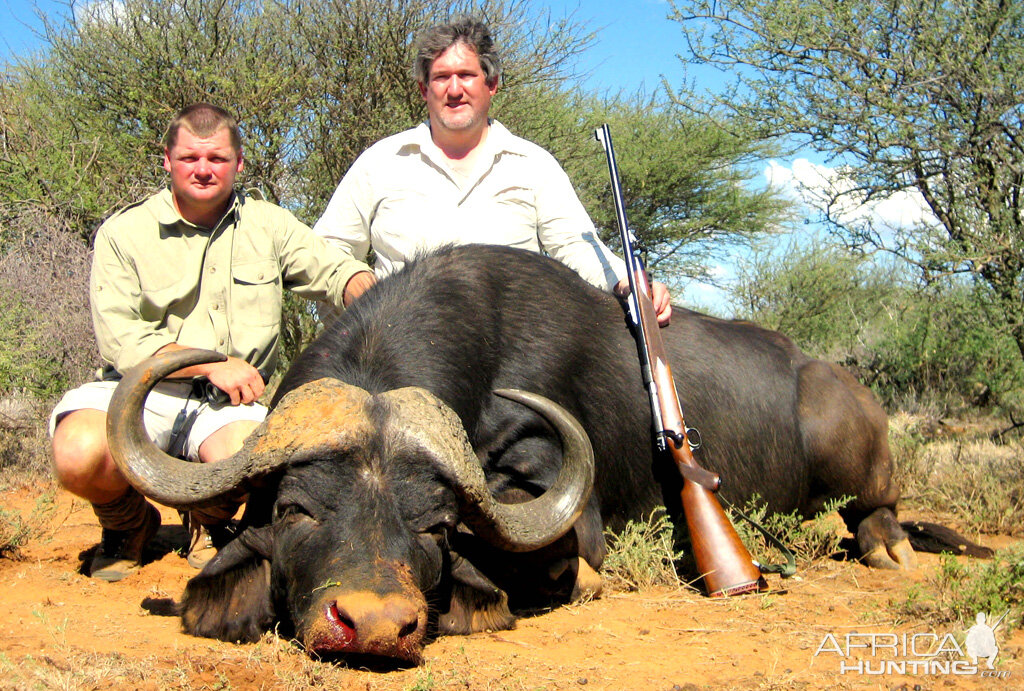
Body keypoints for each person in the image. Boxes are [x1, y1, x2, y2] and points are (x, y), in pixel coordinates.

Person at [49, 103, 375, 582]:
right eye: (190, 158)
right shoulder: (123, 232)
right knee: (78, 451)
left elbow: (334, 271)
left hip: (229, 403)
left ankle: (209, 524)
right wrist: (209, 365)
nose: (203, 170)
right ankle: (127, 523)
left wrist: (375, 297)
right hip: (141, 390)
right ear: (167, 160)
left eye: (217, 159)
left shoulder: (269, 224)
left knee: (254, 455)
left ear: (239, 164)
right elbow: (123, 340)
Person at [313, 16, 672, 325]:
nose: (454, 90)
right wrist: (355, 308)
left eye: (467, 75)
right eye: (441, 78)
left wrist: (630, 283)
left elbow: (576, 247)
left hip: (512, 356)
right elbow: (324, 254)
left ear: (492, 84)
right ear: (424, 89)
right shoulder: (379, 162)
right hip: (403, 350)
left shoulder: (534, 165)